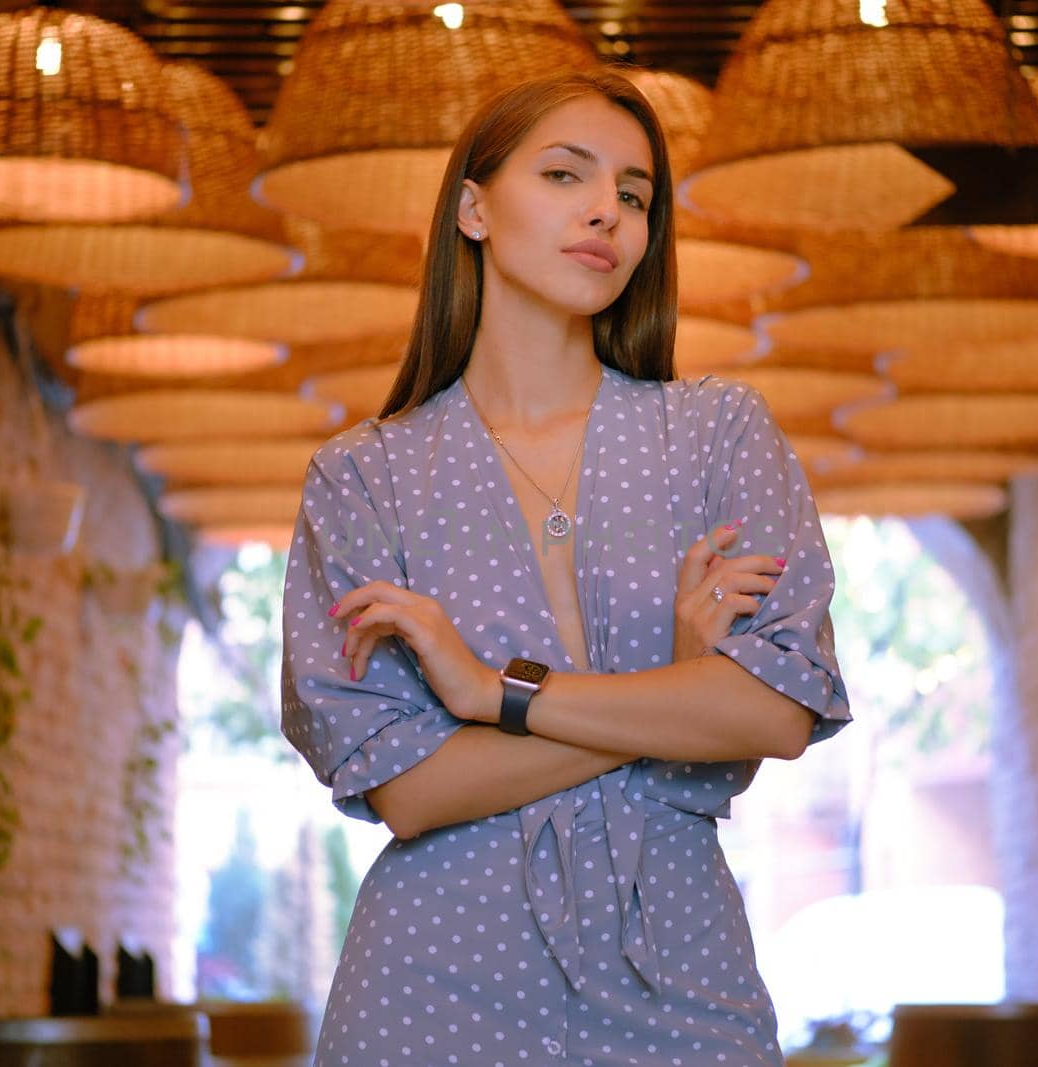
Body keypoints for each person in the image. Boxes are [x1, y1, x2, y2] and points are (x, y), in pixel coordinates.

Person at [280, 69, 850, 1066]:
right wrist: (675, 692)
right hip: (430, 981)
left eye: (634, 195)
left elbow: (775, 713)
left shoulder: (716, 434)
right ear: (473, 207)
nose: (607, 213)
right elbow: (410, 790)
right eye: (564, 175)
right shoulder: (362, 478)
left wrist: (488, 691)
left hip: (679, 963)